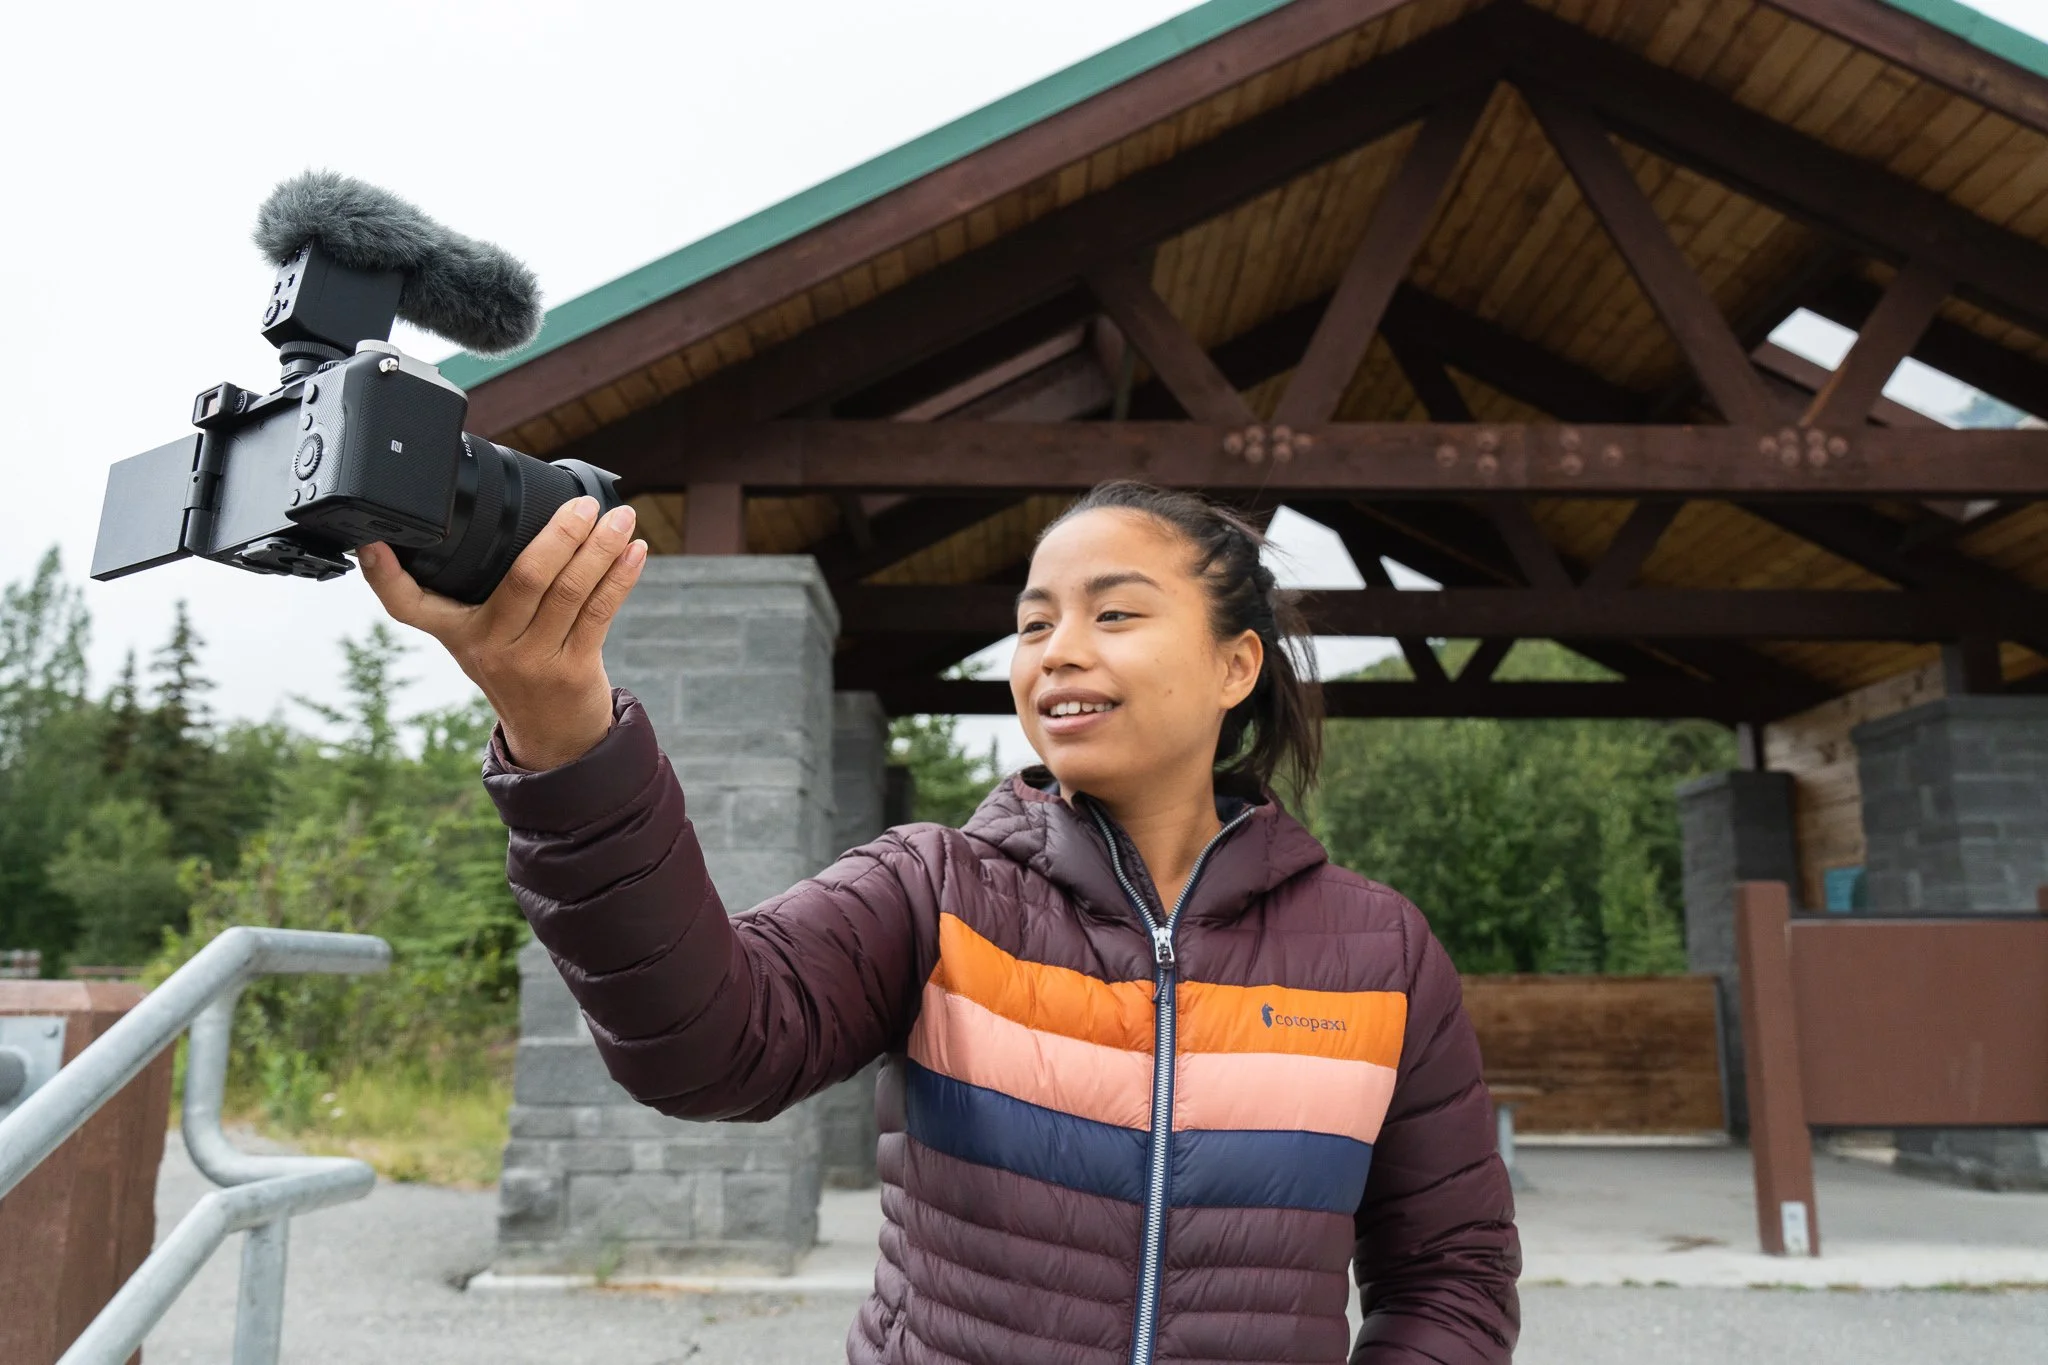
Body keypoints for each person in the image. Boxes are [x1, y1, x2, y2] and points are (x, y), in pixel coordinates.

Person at [361, 480, 1521, 1364]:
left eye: (1115, 613)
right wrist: (563, 726)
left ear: (1234, 666)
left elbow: (1450, 1275)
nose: (1058, 650)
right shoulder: (933, 891)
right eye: (1033, 624)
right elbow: (706, 1047)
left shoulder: (1380, 953)